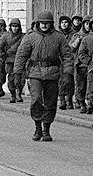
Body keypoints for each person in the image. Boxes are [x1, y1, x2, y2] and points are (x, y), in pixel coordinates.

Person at [13, 10, 74, 142]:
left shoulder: (59, 37)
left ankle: (46, 128)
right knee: (36, 99)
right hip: (35, 72)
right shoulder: (30, 37)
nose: (44, 25)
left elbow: (67, 56)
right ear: (38, 23)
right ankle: (37, 126)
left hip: (53, 72)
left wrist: (68, 73)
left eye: (47, 23)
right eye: (42, 23)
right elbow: (21, 55)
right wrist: (18, 73)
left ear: (51, 24)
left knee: (51, 102)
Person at [0, 18, 26, 102]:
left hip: (20, 60)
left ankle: (18, 93)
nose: (15, 28)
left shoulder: (23, 36)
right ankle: (12, 94)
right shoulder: (6, 36)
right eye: (13, 26)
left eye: (16, 26)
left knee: (20, 79)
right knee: (11, 79)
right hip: (9, 60)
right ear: (10, 27)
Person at [56, 15, 76, 110]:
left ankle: (69, 100)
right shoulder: (56, 34)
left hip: (69, 60)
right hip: (59, 61)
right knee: (60, 81)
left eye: (66, 22)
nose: (64, 24)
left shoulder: (73, 34)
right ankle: (62, 100)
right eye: (62, 22)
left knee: (69, 80)